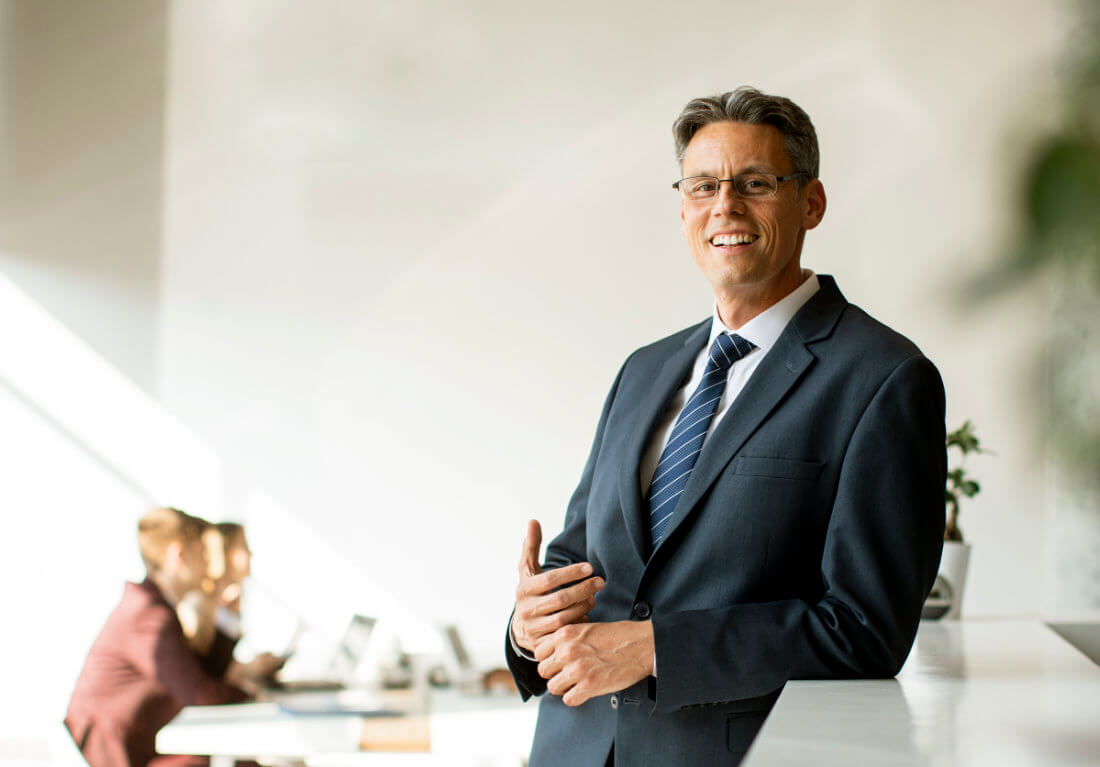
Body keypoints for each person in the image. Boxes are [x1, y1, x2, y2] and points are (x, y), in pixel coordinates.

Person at [504, 87, 947, 766]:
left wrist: (656, 648)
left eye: (756, 183)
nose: (725, 206)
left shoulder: (884, 379)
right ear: (683, 209)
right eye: (704, 185)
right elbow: (579, 561)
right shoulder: (642, 370)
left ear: (811, 203)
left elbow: (864, 630)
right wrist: (528, 624)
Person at [65, 507, 250, 767]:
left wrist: (226, 613)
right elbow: (200, 696)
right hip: (117, 757)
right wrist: (252, 693)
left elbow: (201, 676)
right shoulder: (148, 617)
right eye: (203, 553)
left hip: (138, 748)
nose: (210, 566)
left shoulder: (154, 607)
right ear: (179, 555)